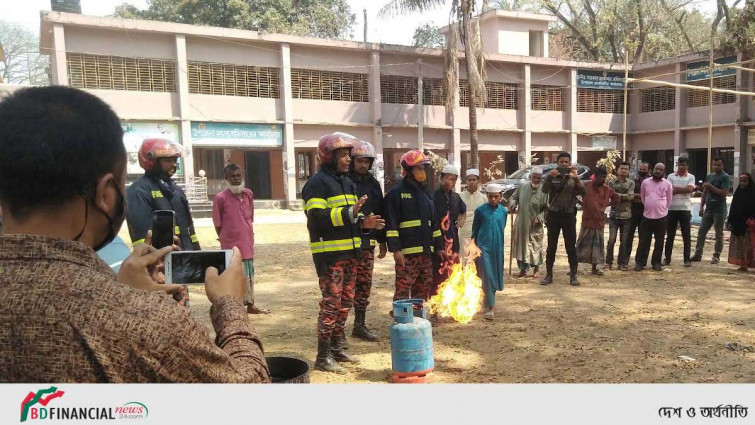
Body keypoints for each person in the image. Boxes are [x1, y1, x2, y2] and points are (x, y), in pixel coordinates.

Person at [0, 86, 269, 382]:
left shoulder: (175, 191)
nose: (173, 163)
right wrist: (229, 305)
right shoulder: (145, 321)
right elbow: (248, 391)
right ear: (105, 194)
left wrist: (120, 288)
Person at [302, 132, 384, 374]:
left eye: (349, 155)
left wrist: (363, 223)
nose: (349, 159)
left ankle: (337, 348)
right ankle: (323, 355)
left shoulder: (347, 183)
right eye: (343, 155)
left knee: (345, 302)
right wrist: (349, 214)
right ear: (329, 156)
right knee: (331, 304)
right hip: (331, 257)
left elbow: (350, 216)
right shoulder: (316, 184)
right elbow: (316, 218)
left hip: (351, 255)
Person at [385, 149, 445, 304]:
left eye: (423, 168)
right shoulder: (396, 193)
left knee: (423, 290)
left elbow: (434, 224)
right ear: (408, 170)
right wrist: (396, 250)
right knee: (403, 291)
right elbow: (391, 224)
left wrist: (439, 247)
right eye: (419, 168)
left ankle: (417, 322)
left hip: (426, 254)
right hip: (407, 255)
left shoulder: (426, 193)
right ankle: (401, 324)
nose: (422, 171)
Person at [213, 163, 270, 315]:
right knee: (233, 275)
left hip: (247, 241)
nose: (236, 179)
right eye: (233, 176)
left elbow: (250, 217)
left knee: (249, 273)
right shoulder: (220, 198)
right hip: (230, 245)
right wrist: (226, 239)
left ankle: (251, 304)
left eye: (238, 175)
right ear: (226, 178)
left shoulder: (248, 194)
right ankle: (235, 306)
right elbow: (217, 224)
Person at [126, 138, 200, 251]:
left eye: (175, 159)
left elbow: (190, 230)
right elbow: (142, 240)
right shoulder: (138, 191)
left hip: (186, 259)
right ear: (152, 161)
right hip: (160, 263)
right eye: (168, 160)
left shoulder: (177, 190)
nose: (174, 164)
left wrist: (197, 254)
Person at [347, 139, 385, 342]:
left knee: (364, 285)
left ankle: (359, 325)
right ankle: (336, 330)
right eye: (359, 161)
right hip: (346, 243)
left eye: (366, 161)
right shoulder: (344, 181)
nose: (363, 165)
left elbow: (379, 211)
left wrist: (383, 240)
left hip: (367, 244)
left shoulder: (372, 184)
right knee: (345, 286)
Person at [540, 152, 586, 286]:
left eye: (567, 162)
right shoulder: (553, 176)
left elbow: (584, 192)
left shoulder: (573, 178)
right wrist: (549, 177)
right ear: (557, 163)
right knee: (551, 246)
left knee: (571, 247)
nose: (564, 164)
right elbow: (544, 190)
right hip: (554, 215)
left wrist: (576, 178)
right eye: (562, 162)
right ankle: (549, 275)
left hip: (569, 215)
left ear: (570, 163)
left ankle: (573, 275)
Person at [469, 183, 508, 320]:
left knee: (495, 274)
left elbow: (502, 227)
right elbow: (475, 230)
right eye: (490, 196)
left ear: (500, 196)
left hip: (497, 248)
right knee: (487, 276)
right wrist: (473, 248)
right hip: (483, 248)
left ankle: (488, 301)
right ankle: (490, 306)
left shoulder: (504, 211)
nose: (493, 199)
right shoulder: (480, 211)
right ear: (487, 196)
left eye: (496, 197)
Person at [576, 167, 619, 277]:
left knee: (597, 247)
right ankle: (574, 268)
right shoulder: (586, 185)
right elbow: (573, 193)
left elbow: (617, 198)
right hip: (587, 220)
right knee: (581, 245)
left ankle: (594, 268)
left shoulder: (607, 189)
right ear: (595, 176)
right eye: (601, 177)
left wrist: (605, 206)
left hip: (599, 221)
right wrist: (582, 204)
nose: (603, 179)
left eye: (605, 177)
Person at [432, 164, 466, 298]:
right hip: (438, 241)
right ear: (441, 178)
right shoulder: (433, 197)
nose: (450, 182)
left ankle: (452, 303)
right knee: (438, 274)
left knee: (453, 272)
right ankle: (436, 306)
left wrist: (462, 219)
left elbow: (463, 210)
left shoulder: (456, 197)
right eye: (448, 179)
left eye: (453, 180)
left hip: (454, 242)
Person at [508, 166, 548, 278]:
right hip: (522, 222)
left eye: (538, 178)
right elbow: (514, 197)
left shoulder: (544, 190)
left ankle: (536, 270)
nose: (536, 180)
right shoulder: (522, 186)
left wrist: (539, 217)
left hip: (535, 225)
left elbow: (547, 208)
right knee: (521, 246)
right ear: (530, 177)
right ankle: (522, 270)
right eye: (534, 177)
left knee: (535, 246)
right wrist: (512, 204)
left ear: (541, 178)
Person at [691, 157, 732, 264]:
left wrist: (710, 186)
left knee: (718, 233)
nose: (716, 167)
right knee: (701, 231)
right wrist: (701, 206)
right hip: (709, 209)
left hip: (720, 209)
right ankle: (698, 254)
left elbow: (724, 193)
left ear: (722, 165)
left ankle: (716, 255)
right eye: (714, 165)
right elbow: (705, 192)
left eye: (718, 165)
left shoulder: (725, 177)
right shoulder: (710, 176)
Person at [635, 163, 673, 272]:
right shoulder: (645, 182)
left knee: (659, 242)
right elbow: (643, 197)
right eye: (656, 169)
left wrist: (662, 209)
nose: (658, 171)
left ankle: (656, 263)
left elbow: (669, 200)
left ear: (664, 172)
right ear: (653, 170)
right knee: (643, 241)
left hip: (661, 217)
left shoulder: (667, 184)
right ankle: (640, 263)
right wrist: (648, 205)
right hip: (647, 216)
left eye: (661, 170)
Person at [663, 157, 696, 267]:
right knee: (670, 235)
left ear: (687, 166)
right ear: (677, 165)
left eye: (684, 165)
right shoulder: (670, 176)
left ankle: (687, 259)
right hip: (672, 208)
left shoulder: (691, 177)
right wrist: (683, 189)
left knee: (686, 235)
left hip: (685, 209)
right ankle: (667, 259)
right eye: (680, 165)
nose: (681, 167)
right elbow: (669, 191)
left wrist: (677, 189)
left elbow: (690, 190)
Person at [605, 162, 635, 271]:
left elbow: (631, 197)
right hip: (613, 215)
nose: (623, 171)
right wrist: (623, 196)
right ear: (617, 170)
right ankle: (608, 263)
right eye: (622, 168)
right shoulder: (611, 182)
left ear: (628, 171)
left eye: (626, 169)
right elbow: (608, 195)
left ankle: (622, 263)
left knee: (624, 241)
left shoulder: (631, 183)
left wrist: (617, 195)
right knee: (611, 240)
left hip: (626, 216)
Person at [726, 173, 755, 271]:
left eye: (744, 181)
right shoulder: (738, 193)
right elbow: (733, 208)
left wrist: (751, 219)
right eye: (741, 181)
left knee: (750, 245)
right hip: (738, 223)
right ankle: (743, 264)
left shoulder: (753, 193)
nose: (742, 183)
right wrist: (730, 221)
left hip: (749, 224)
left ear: (749, 181)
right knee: (740, 245)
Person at [459, 168, 487, 262]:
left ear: (478, 181)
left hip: (478, 233)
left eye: (474, 180)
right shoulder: (459, 196)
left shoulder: (483, 198)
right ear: (466, 181)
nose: (471, 182)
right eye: (469, 180)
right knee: (463, 259)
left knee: (475, 260)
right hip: (463, 233)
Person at [627, 162, 651, 267]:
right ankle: (624, 261)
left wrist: (639, 197)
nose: (642, 171)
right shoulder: (632, 181)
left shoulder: (651, 182)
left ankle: (641, 261)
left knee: (644, 238)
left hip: (646, 212)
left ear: (648, 170)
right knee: (628, 237)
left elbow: (650, 196)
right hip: (632, 211)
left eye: (644, 169)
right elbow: (630, 195)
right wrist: (642, 197)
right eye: (640, 169)